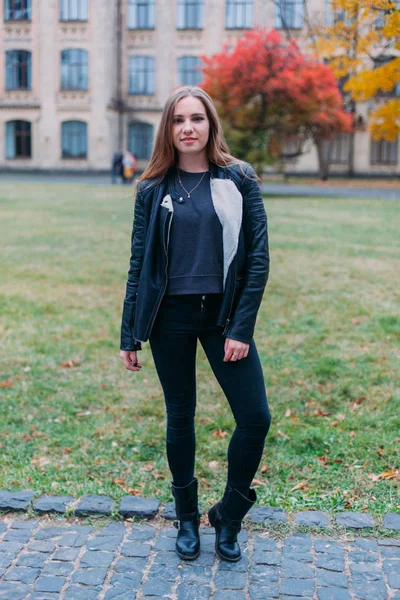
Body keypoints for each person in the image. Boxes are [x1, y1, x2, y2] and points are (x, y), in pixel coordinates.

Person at [119, 86, 271, 563]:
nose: (188, 127)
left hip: (223, 317)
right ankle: (186, 517)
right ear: (168, 129)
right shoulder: (151, 188)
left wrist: (241, 330)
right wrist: (130, 332)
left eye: (197, 118)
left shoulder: (239, 178)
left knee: (255, 417)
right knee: (180, 418)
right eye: (179, 119)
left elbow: (258, 260)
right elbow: (139, 262)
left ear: (210, 125)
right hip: (170, 319)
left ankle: (228, 514)